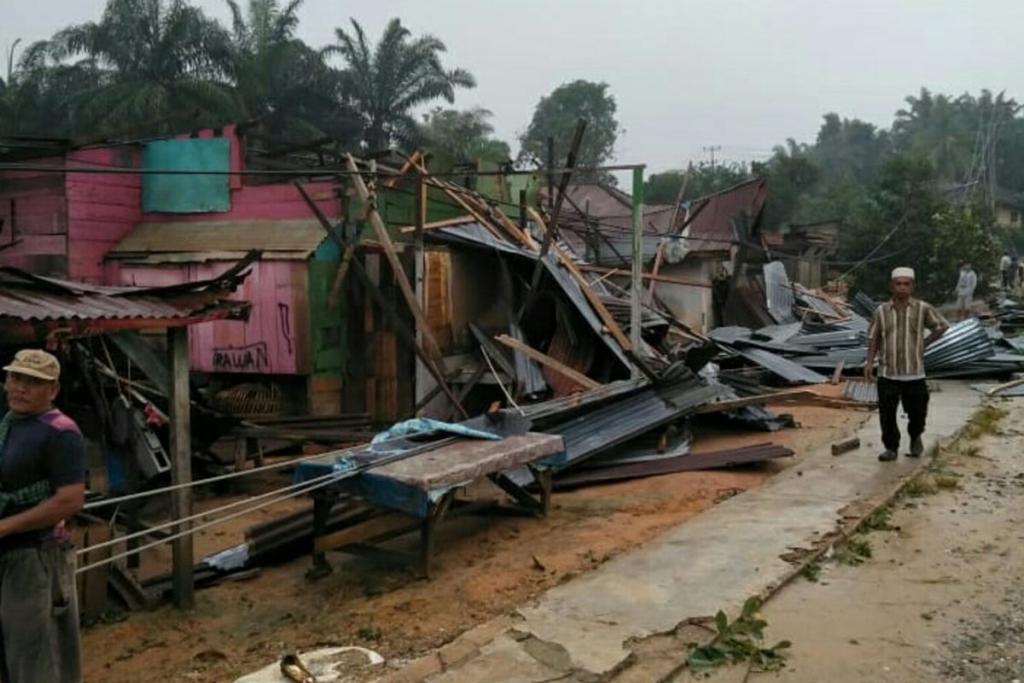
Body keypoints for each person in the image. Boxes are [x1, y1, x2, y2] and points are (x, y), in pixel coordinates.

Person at [0, 350, 84, 683]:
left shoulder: (61, 432)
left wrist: (5, 526)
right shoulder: (10, 424)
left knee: (35, 658)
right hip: (7, 552)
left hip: (35, 557)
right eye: (15, 378)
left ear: (53, 390)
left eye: (33, 382)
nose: (20, 388)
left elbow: (69, 500)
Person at [865, 267, 949, 462]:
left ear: (912, 286)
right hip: (888, 372)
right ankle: (891, 448)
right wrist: (870, 362)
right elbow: (873, 337)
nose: (902, 287)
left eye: (906, 284)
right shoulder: (881, 311)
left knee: (918, 412)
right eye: (898, 284)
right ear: (891, 286)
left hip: (915, 373)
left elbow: (941, 326)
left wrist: (924, 343)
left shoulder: (922, 308)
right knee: (887, 415)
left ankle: (915, 436)